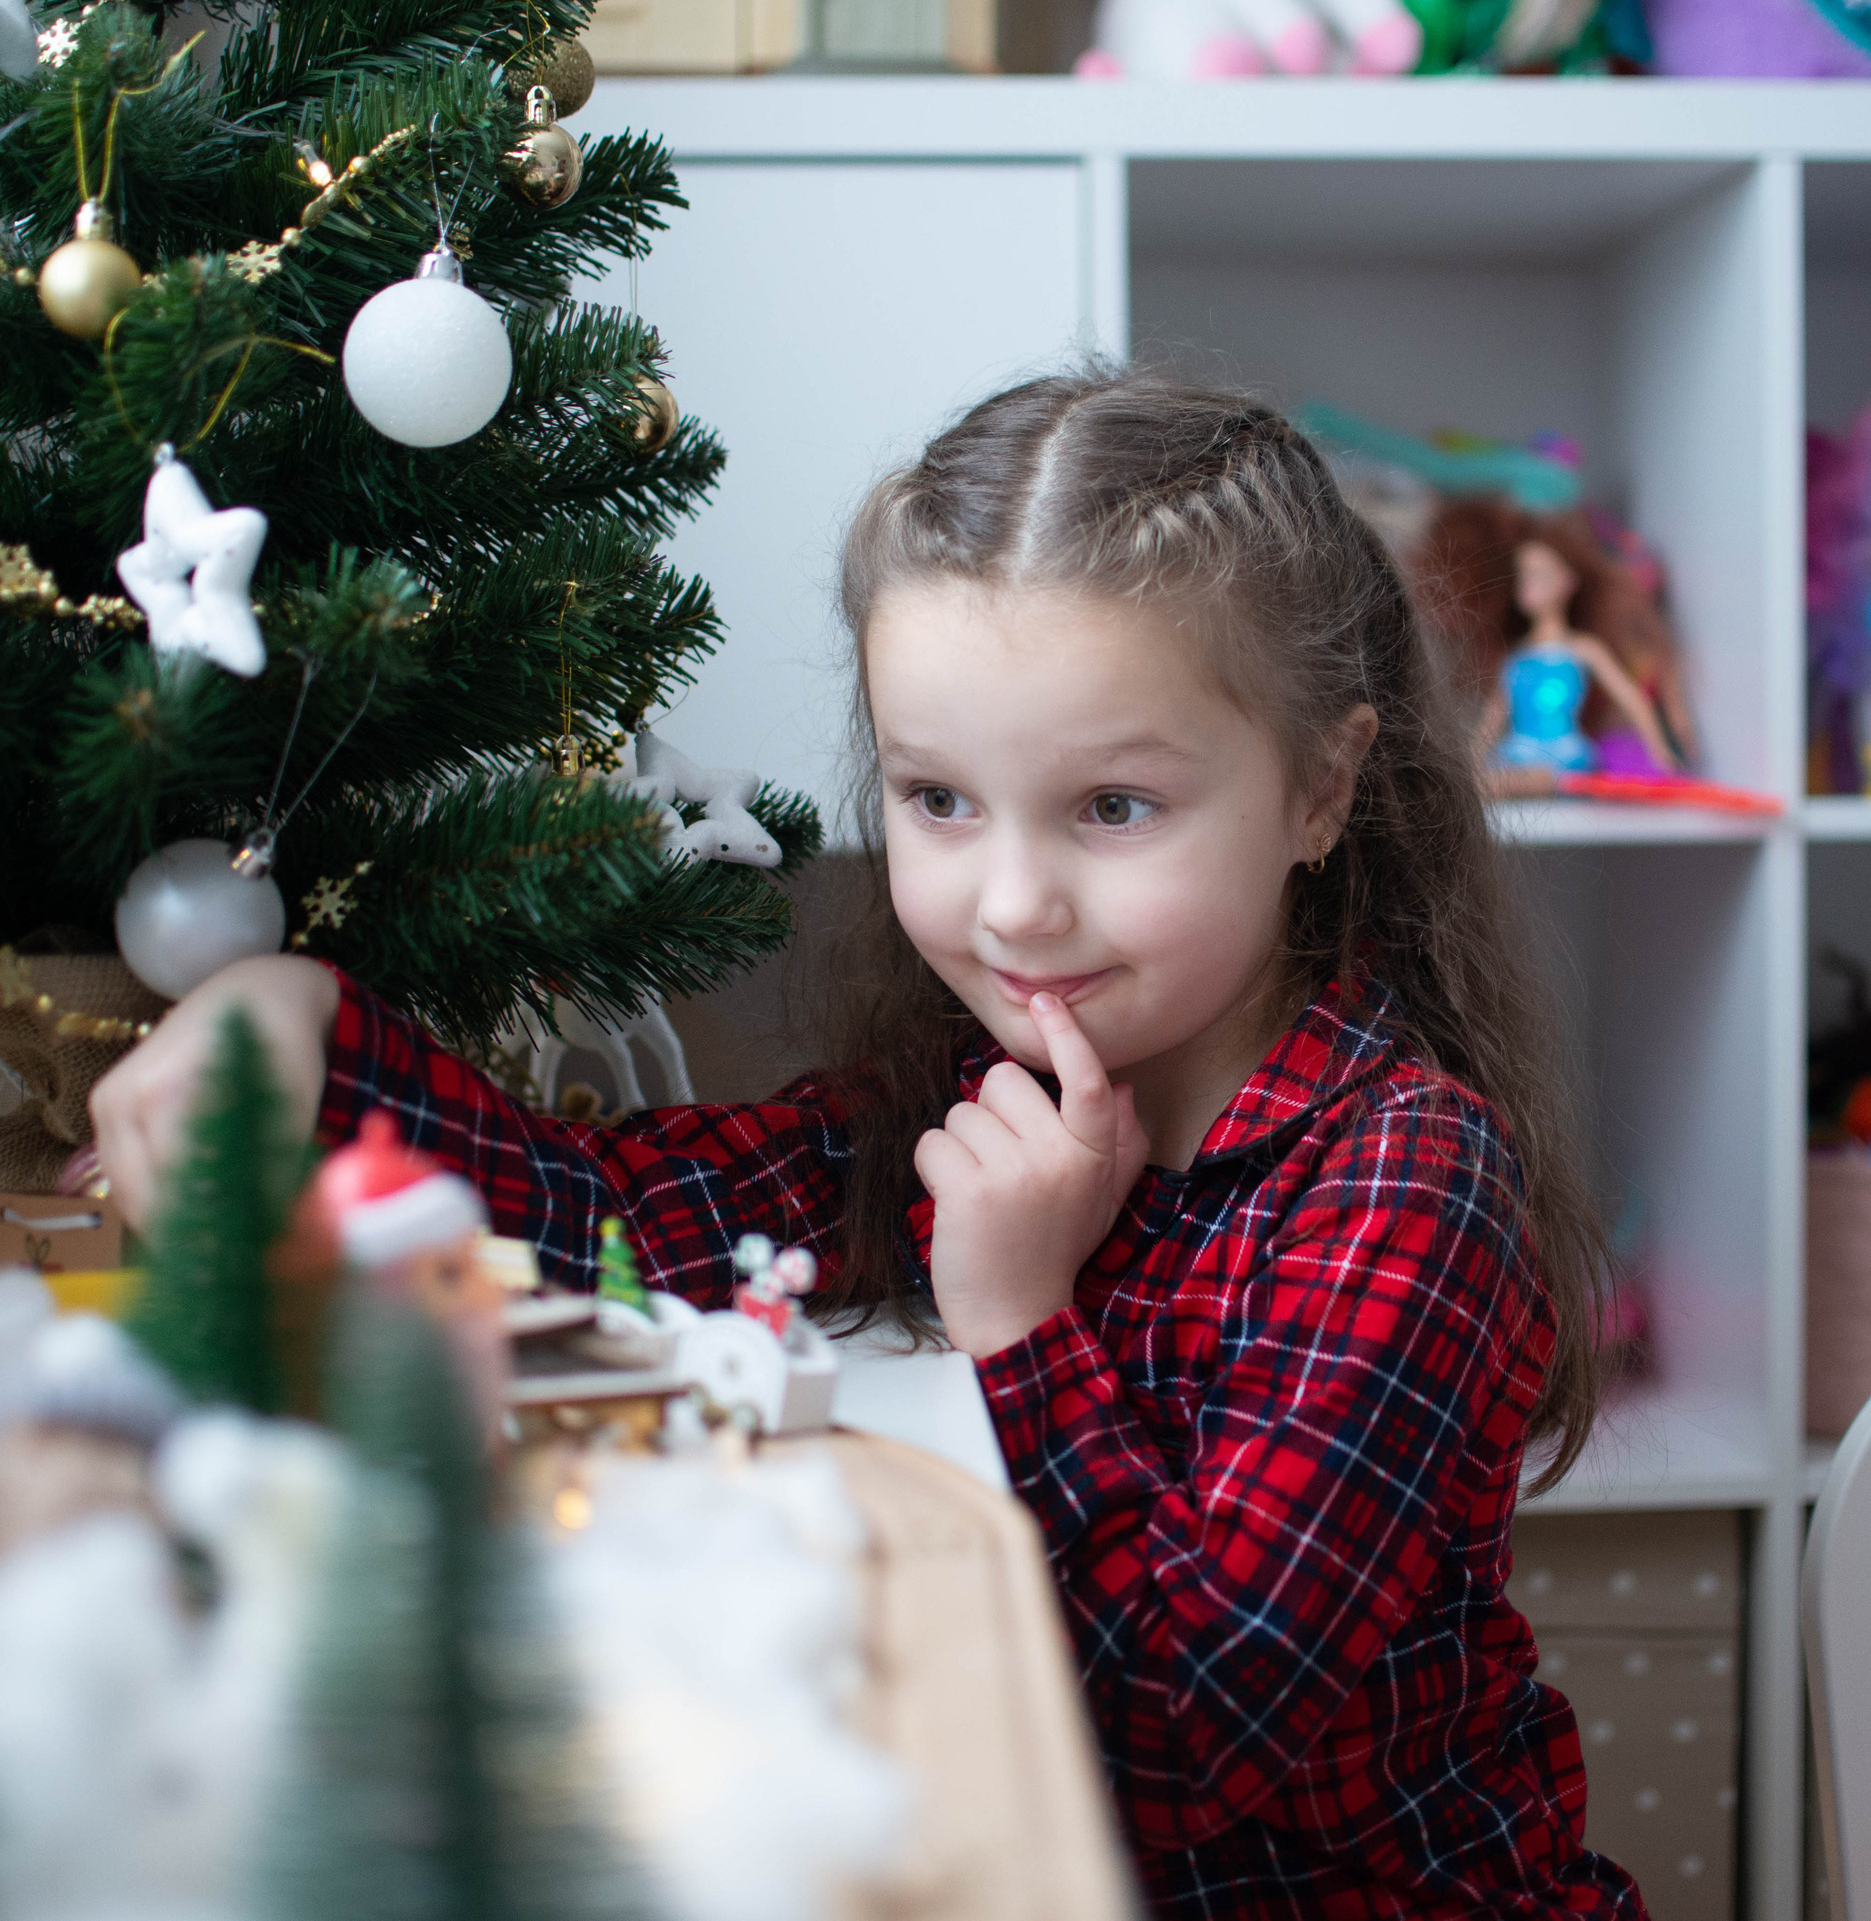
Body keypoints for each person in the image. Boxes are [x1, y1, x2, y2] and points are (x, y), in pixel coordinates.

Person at [91, 371, 1646, 1919]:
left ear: (1320, 785)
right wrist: (302, 1022)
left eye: (1113, 805)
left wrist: (1021, 1318)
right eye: (940, 799)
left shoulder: (1406, 1182)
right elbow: (608, 1218)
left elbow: (1180, 1737)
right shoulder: (974, 1092)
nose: (1013, 902)